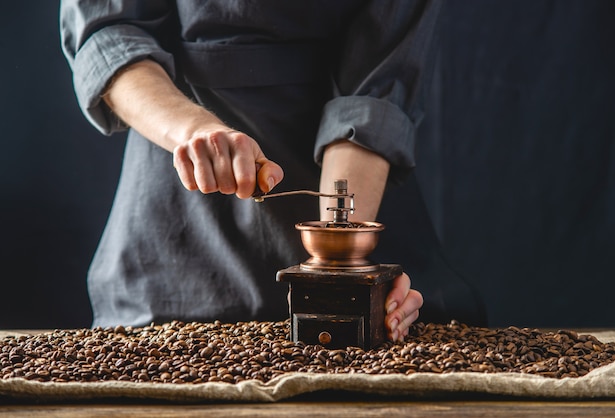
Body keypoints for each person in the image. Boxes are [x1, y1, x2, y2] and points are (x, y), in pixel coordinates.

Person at [60, 0, 487, 340]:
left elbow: (374, 96)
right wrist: (195, 130)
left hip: (361, 191)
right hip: (175, 221)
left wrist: (345, 277)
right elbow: (108, 33)